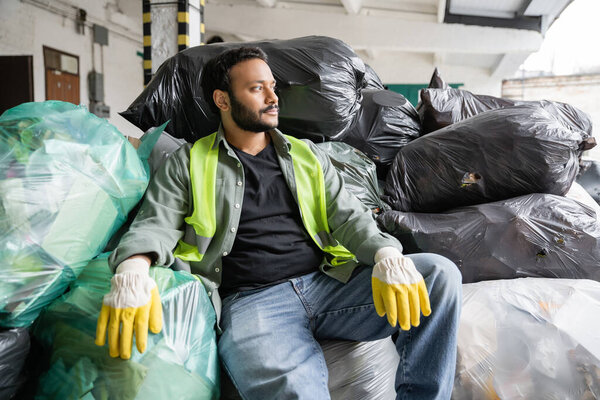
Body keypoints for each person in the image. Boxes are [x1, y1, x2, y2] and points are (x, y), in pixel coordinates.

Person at [94, 47, 462, 399]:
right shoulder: (189, 162)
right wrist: (132, 269)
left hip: (329, 285)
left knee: (438, 276)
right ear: (223, 100)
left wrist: (385, 254)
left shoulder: (307, 155)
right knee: (295, 392)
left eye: (272, 86)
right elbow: (155, 223)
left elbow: (348, 216)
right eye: (257, 88)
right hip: (253, 302)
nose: (273, 97)